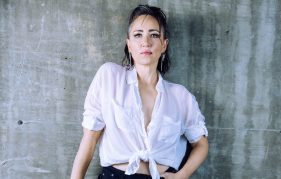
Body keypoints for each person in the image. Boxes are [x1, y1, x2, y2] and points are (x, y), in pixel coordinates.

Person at [71, 4, 208, 179]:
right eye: (138, 35)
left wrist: (181, 176)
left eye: (154, 35)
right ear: (129, 44)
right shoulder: (110, 76)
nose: (146, 42)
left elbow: (201, 144)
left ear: (164, 44)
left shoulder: (181, 96)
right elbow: (89, 140)